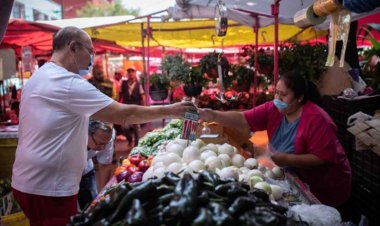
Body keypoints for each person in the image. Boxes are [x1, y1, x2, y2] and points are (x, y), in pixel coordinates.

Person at [11, 26, 194, 226]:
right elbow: (124, 114)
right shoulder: (65, 82)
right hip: (48, 187)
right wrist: (172, 110)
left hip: (31, 179)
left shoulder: (41, 76)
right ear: (72, 47)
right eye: (90, 51)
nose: (92, 58)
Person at [199, 71, 352, 207]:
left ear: (299, 98)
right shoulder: (273, 109)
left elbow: (324, 158)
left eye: (283, 95)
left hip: (326, 186)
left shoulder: (317, 119)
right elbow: (242, 119)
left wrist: (288, 159)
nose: (277, 98)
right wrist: (213, 115)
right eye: (276, 93)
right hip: (296, 180)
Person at [79, 120, 114, 210]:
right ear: (86, 133)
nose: (103, 148)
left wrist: (103, 193)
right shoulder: (72, 138)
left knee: (90, 206)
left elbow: (104, 165)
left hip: (86, 171)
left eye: (106, 144)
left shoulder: (106, 137)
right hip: (63, 172)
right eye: (100, 144)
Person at [119, 66, 146, 146]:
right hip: (125, 107)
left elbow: (142, 96)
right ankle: (130, 139)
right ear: (127, 74)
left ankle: (136, 144)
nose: (130, 73)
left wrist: (143, 107)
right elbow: (120, 95)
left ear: (135, 73)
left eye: (132, 72)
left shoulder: (138, 84)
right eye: (129, 72)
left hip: (136, 107)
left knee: (136, 126)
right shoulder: (123, 83)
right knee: (124, 126)